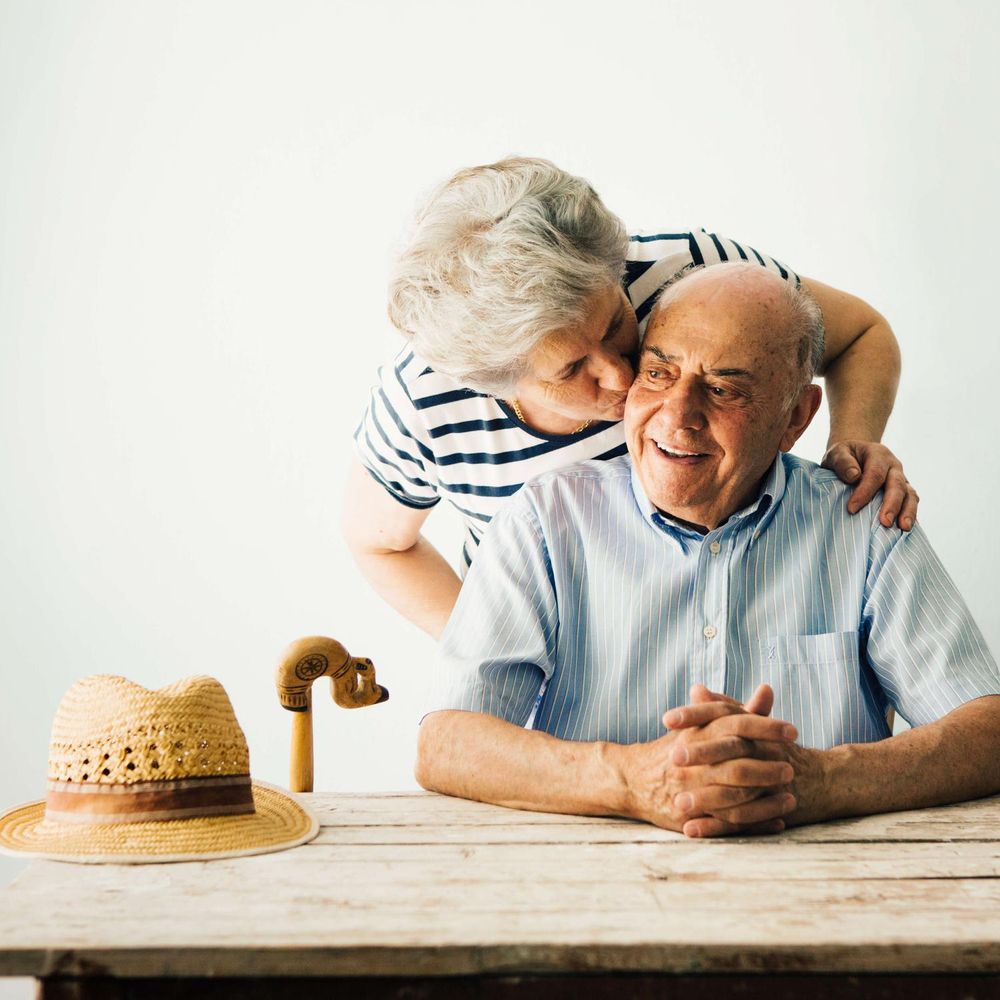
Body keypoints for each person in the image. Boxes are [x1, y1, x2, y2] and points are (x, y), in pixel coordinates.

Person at [414, 262, 1000, 838]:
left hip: (828, 891)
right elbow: (447, 744)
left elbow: (987, 731)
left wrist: (819, 780)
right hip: (590, 892)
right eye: (659, 374)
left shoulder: (862, 523)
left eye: (723, 389)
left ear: (795, 417)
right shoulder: (545, 520)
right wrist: (633, 780)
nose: (678, 417)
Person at [343, 158, 918, 639]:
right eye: (572, 369)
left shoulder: (695, 276)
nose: (622, 377)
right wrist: (491, 646)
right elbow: (381, 547)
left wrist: (854, 444)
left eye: (616, 321)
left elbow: (860, 335)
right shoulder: (424, 403)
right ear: (492, 381)